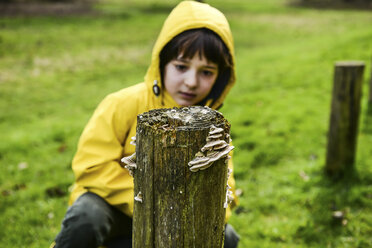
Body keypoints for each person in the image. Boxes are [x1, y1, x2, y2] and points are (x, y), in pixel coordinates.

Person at [52, 1, 240, 247]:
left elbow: (226, 189)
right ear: (161, 63)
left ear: (220, 77)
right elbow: (92, 166)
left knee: (227, 238)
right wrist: (154, 202)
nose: (191, 82)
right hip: (116, 212)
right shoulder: (122, 103)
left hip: (177, 223)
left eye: (206, 72)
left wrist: (181, 213)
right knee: (86, 215)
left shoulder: (212, 126)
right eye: (181, 67)